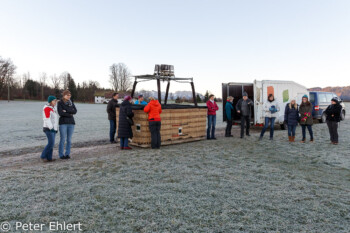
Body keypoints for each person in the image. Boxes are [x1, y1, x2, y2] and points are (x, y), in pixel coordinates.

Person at [57, 90, 77, 159]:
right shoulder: (60, 103)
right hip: (63, 123)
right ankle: (61, 154)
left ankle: (67, 154)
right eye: (67, 95)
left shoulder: (71, 102)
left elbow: (75, 111)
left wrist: (66, 111)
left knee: (69, 139)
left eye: (69, 95)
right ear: (64, 95)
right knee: (62, 139)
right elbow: (60, 113)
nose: (69, 96)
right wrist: (70, 113)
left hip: (71, 123)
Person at [41, 95, 59, 162]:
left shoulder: (54, 108)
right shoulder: (47, 108)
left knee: (52, 143)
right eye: (54, 100)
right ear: (50, 101)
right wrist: (51, 127)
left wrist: (55, 128)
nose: (55, 102)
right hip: (48, 128)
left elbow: (55, 120)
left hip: (53, 129)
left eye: (56, 100)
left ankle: (49, 157)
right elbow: (47, 119)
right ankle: (43, 156)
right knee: (51, 143)